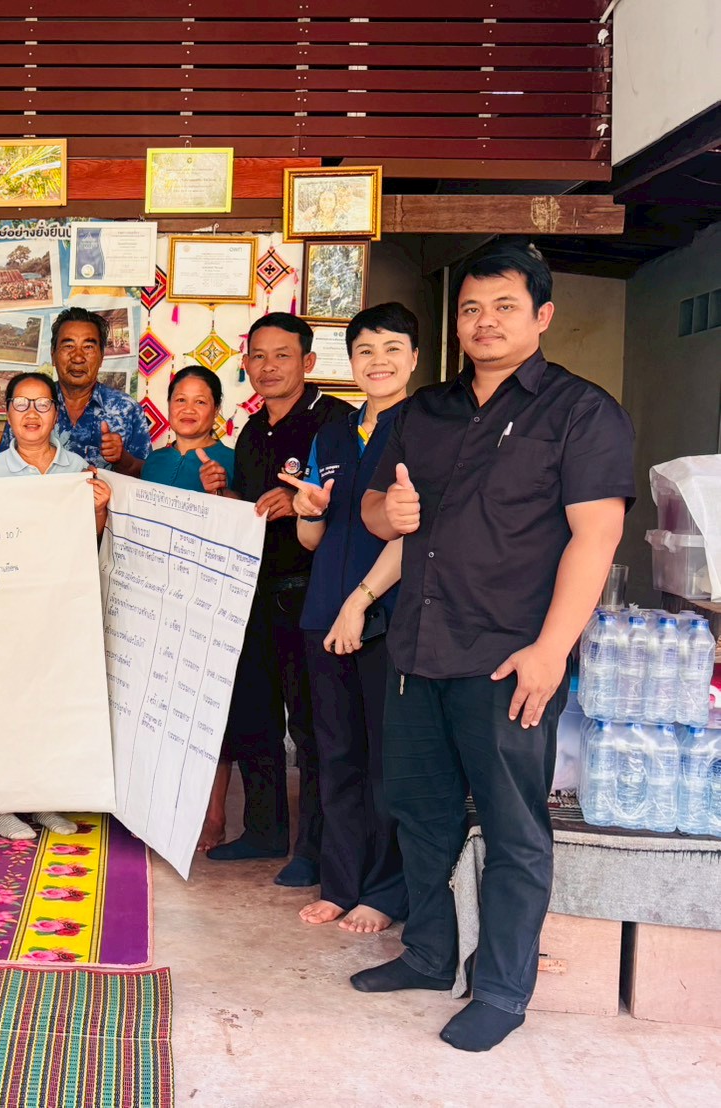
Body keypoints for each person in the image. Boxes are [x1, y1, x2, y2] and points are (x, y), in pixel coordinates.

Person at [356, 242, 633, 1052]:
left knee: (513, 830)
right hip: (416, 647)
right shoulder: (422, 411)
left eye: (504, 307)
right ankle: (428, 953)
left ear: (541, 316)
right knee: (418, 812)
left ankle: (503, 990)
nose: (484, 322)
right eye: (471, 309)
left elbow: (596, 535)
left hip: (510, 659)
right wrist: (387, 518)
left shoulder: (582, 412)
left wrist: (552, 649)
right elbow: (377, 506)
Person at [279, 303, 417, 933]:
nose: (378, 362)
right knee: (334, 755)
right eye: (365, 351)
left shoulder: (427, 425)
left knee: (388, 759)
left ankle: (385, 892)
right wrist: (308, 509)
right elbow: (313, 540)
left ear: (414, 358)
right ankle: (341, 882)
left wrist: (362, 602)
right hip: (323, 612)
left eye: (392, 349)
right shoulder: (332, 434)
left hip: (390, 613)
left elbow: (417, 532)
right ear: (350, 362)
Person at [205, 313, 353, 889]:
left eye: (282, 356)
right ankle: (264, 830)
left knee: (312, 727)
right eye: (258, 357)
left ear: (309, 363)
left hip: (314, 593)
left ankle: (312, 849)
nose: (268, 367)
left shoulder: (334, 423)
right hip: (257, 593)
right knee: (255, 714)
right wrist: (229, 493)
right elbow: (254, 512)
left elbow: (349, 505)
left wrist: (304, 505)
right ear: (246, 365)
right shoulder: (252, 431)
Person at [0, 371, 112, 840]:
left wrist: (98, 510)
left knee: (55, 703)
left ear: (56, 412)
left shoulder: (78, 470)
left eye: (41, 405)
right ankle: (4, 805)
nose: (31, 415)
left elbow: (90, 539)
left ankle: (48, 801)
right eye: (21, 405)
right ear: (7, 413)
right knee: (8, 703)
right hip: (8, 606)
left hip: (62, 606)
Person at [0, 306, 151, 475]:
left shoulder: (126, 409)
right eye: (68, 346)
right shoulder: (29, 405)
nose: (78, 357)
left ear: (101, 357)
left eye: (88, 347)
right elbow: (4, 467)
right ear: (53, 354)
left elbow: (147, 477)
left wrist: (123, 459)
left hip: (103, 502)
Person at [140, 365, 236, 494]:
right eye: (181, 400)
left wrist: (221, 493)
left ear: (216, 410)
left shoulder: (234, 462)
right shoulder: (154, 460)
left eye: (200, 402)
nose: (188, 409)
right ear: (169, 404)